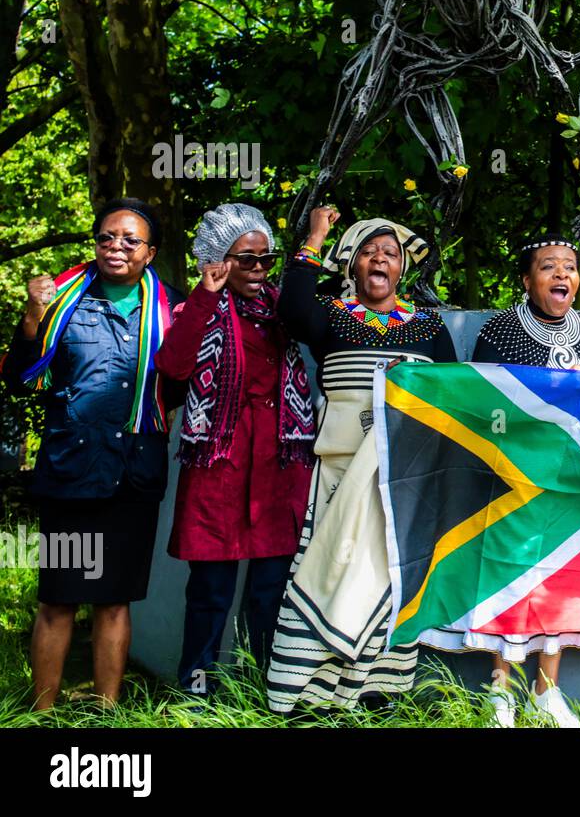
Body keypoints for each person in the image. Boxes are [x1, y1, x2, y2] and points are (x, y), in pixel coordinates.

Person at [265, 207, 457, 712]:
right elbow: (290, 309)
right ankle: (310, 693)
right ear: (352, 266)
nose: (380, 259)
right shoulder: (330, 314)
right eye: (369, 252)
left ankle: (378, 691)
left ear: (401, 270)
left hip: (402, 480)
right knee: (329, 570)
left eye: (390, 253)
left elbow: (454, 398)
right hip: (338, 470)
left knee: (388, 578)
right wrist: (316, 237)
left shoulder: (429, 326)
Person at [422, 234, 580, 728]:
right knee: (509, 575)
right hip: (511, 476)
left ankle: (547, 690)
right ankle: (501, 691)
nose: (561, 275)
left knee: (560, 577)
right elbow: (484, 401)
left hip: (570, 478)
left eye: (569, 267)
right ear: (527, 281)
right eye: (548, 267)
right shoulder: (503, 330)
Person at [2, 198, 183, 709]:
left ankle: (108, 711)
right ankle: (41, 714)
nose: (117, 247)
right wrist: (33, 312)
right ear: (95, 243)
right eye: (107, 237)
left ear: (150, 252)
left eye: (131, 240)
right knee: (58, 600)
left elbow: (184, 380)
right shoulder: (62, 299)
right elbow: (18, 377)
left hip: (133, 472)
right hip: (70, 471)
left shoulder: (174, 306)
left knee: (113, 600)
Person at [153, 204, 315, 695]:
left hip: (278, 464)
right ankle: (197, 689)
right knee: (210, 591)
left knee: (269, 590)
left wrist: (315, 241)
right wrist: (206, 294)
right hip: (219, 465)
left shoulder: (282, 310)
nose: (259, 268)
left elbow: (320, 321)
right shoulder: (197, 309)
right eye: (246, 259)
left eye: (266, 258)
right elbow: (174, 366)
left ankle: (259, 688)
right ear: (217, 260)